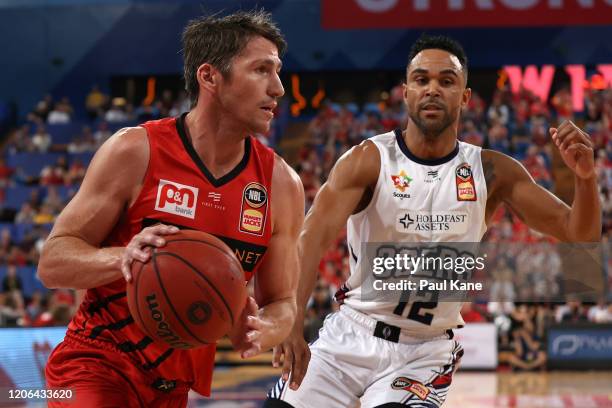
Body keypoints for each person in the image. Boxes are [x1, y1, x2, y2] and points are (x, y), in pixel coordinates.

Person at [265, 35, 600, 407]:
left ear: (465, 96)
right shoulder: (368, 159)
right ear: (405, 92)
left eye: (446, 81)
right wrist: (292, 320)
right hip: (350, 334)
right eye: (422, 80)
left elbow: (579, 231)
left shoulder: (492, 171)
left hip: (423, 353)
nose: (432, 90)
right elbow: (310, 239)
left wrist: (585, 179)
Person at [38, 10, 304, 407]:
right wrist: (124, 257)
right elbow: (53, 263)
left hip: (173, 386)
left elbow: (283, 301)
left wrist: (263, 328)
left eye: (277, 71)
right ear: (209, 76)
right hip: (95, 362)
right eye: (261, 70)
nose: (279, 88)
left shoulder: (281, 185)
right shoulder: (135, 150)